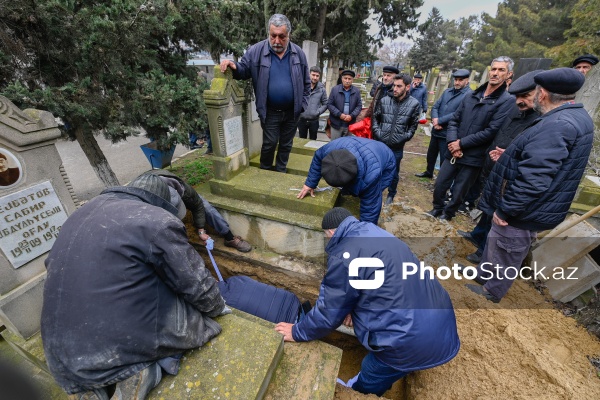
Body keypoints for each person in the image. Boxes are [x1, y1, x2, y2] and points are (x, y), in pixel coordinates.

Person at [41, 173, 228, 400]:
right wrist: (217, 307)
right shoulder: (157, 220)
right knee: (193, 315)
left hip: (60, 354)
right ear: (163, 205)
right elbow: (194, 283)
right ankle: (140, 371)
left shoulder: (83, 212)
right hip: (119, 346)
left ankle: (93, 387)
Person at [275, 207, 460, 397]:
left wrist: (298, 331)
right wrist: (352, 307)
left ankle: (358, 390)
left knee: (372, 369)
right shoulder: (376, 234)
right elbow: (382, 284)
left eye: (326, 236)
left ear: (331, 232)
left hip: (411, 339)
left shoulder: (344, 255)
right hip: (440, 320)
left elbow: (328, 311)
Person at [465, 68, 594, 303]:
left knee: (506, 249)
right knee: (497, 243)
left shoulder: (558, 124)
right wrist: (512, 155)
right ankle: (483, 274)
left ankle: (491, 291)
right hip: (536, 204)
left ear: (542, 94)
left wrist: (506, 209)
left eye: (534, 92)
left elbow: (535, 177)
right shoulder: (574, 116)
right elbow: (549, 160)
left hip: (525, 208)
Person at [457, 70, 543, 264]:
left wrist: (508, 156)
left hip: (509, 173)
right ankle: (477, 235)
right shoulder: (515, 108)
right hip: (494, 166)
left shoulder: (539, 119)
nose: (519, 101)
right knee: (487, 207)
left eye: (525, 96)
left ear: (540, 94)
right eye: (517, 96)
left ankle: (483, 252)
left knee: (496, 213)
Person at [220, 14, 310, 173]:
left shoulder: (298, 54)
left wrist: (302, 105)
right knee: (269, 143)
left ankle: (281, 170)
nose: (276, 41)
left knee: (286, 144)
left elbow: (306, 82)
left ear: (288, 34)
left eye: (281, 37)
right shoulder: (256, 51)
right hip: (270, 112)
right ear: (268, 33)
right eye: (273, 36)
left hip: (292, 112)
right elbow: (243, 70)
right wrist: (232, 65)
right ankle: (265, 171)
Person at [428, 56, 514, 221]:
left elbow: (491, 131)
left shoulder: (507, 101)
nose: (495, 73)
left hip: (474, 155)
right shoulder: (472, 95)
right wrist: (453, 142)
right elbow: (454, 120)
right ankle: (437, 208)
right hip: (453, 150)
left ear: (509, 74)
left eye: (501, 70)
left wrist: (461, 144)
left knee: (459, 190)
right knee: (440, 184)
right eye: (493, 69)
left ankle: (448, 214)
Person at [296, 136, 396, 224]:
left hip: (386, 159)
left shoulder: (371, 176)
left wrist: (364, 234)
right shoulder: (330, 149)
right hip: (359, 145)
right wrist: (310, 183)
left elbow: (370, 211)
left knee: (371, 193)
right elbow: (318, 157)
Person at [147, 169, 251, 252]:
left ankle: (229, 238)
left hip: (168, 187)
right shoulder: (143, 204)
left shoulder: (183, 189)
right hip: (147, 208)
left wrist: (201, 231)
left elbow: (198, 205)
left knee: (207, 208)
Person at [371, 73, 421, 205]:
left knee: (394, 172)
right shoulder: (384, 101)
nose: (395, 89)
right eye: (394, 85)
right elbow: (375, 118)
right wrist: (378, 133)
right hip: (381, 143)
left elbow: (413, 126)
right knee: (377, 168)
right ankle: (376, 191)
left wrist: (403, 138)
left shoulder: (414, 104)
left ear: (407, 87)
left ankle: (391, 194)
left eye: (399, 86)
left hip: (397, 146)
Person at [415, 69, 472, 179]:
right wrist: (435, 119)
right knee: (431, 154)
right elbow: (436, 106)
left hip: (448, 133)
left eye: (460, 80)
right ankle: (429, 172)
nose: (457, 82)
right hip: (437, 130)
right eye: (456, 80)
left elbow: (459, 113)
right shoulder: (447, 91)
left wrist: (440, 121)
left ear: (467, 80)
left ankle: (442, 180)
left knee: (444, 158)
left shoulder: (469, 95)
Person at [327, 69, 363, 140]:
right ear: (342, 78)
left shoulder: (356, 91)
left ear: (352, 80)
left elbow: (359, 106)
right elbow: (330, 104)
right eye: (345, 78)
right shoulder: (335, 90)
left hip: (350, 124)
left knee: (347, 147)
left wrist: (351, 115)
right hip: (336, 124)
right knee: (335, 145)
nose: (347, 81)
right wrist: (339, 114)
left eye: (349, 79)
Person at [297, 66, 328, 140]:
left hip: (314, 120)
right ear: (309, 74)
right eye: (313, 75)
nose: (315, 77)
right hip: (302, 119)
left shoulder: (322, 89)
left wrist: (318, 112)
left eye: (317, 76)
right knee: (301, 140)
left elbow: (325, 104)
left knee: (313, 141)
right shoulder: (302, 86)